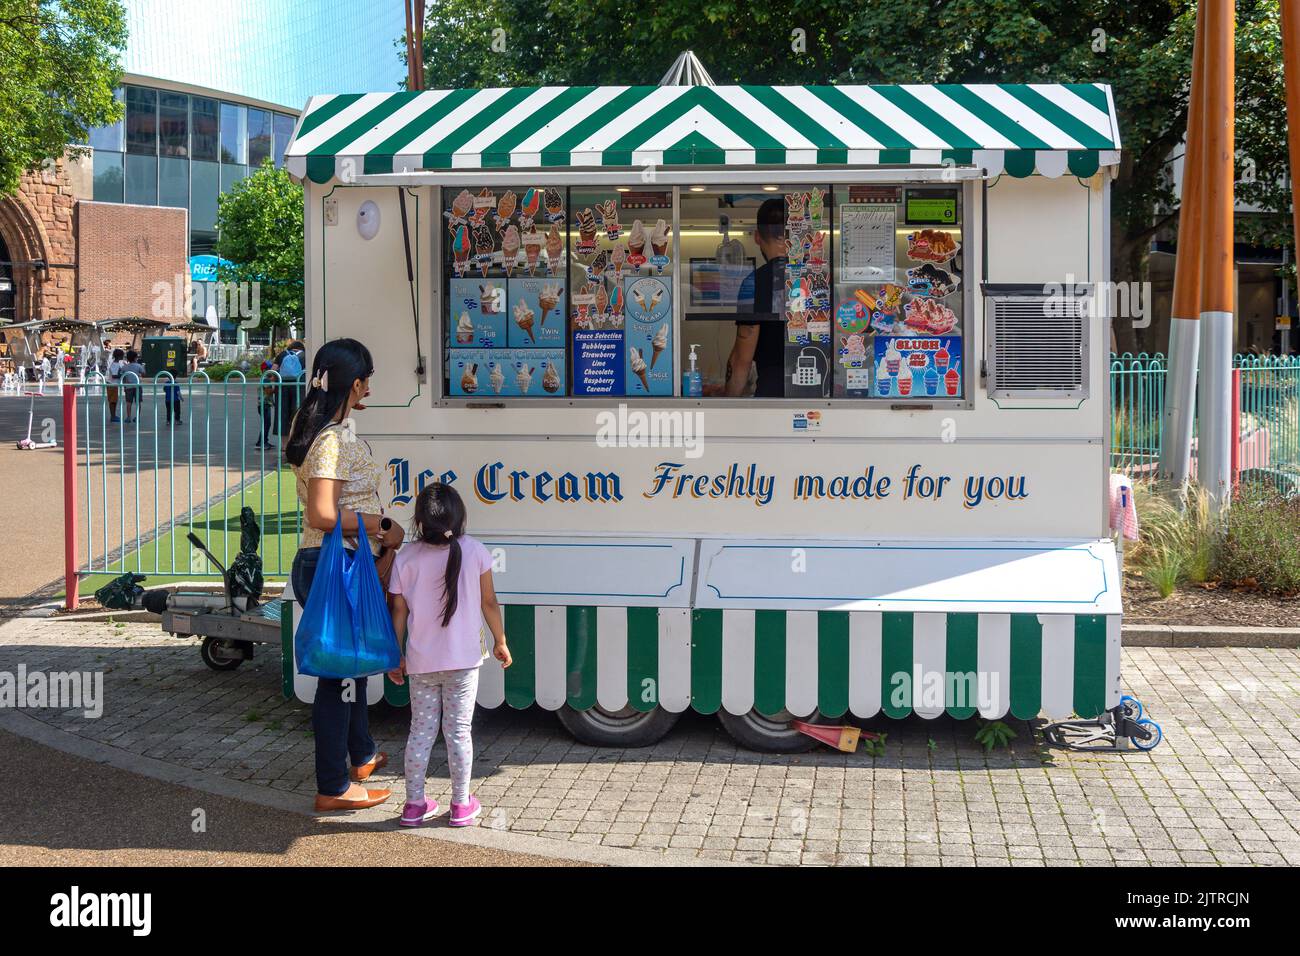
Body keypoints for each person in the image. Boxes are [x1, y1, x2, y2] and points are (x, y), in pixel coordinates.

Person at [286, 338, 405, 812]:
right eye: (366, 381)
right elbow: (322, 514)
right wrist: (379, 526)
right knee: (338, 679)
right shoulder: (332, 439)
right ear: (353, 384)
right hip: (334, 566)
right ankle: (333, 786)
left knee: (350, 667)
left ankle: (360, 756)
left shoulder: (316, 428)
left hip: (334, 564)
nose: (369, 391)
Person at [387, 483, 512, 828]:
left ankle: (414, 805)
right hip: (464, 662)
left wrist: (395, 655)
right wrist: (500, 640)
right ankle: (460, 805)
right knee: (459, 731)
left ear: (419, 521)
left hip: (421, 662)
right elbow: (489, 602)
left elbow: (398, 610)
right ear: (459, 517)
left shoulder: (406, 558)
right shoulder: (475, 551)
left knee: (420, 732)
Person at [725, 197, 787, 397]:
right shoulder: (818, 280)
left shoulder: (753, 283)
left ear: (757, 237)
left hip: (772, 396)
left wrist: (725, 407)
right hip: (822, 397)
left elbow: (741, 362)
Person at [121, 349, 146, 424]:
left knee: (129, 402)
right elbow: (144, 374)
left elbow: (123, 377)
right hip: (137, 386)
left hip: (128, 386)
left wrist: (124, 386)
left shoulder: (125, 367)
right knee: (138, 402)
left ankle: (128, 417)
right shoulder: (138, 366)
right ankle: (137, 417)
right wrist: (143, 367)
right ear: (135, 358)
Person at [106, 348, 125, 422]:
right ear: (119, 356)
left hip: (114, 384)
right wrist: (122, 375)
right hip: (112, 384)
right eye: (122, 355)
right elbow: (114, 376)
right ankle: (112, 416)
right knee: (112, 401)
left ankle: (113, 415)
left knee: (114, 401)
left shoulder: (116, 363)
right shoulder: (114, 364)